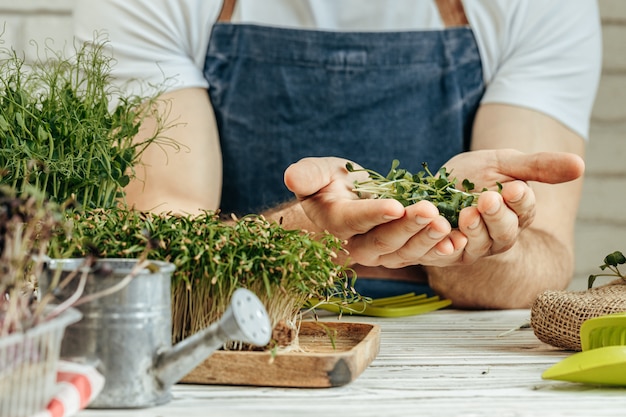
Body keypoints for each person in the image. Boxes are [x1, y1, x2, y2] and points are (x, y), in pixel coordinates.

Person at [73, 0, 602, 309]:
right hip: (238, 336)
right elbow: (151, 242)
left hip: (453, 362)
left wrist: (471, 239)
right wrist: (314, 230)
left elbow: (543, 262)